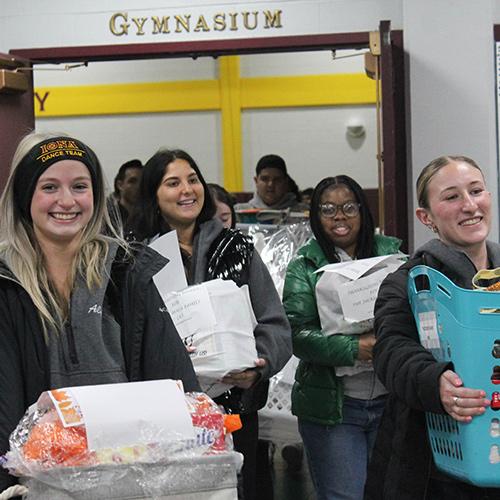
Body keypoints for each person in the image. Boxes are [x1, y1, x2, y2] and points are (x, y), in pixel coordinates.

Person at [0, 133, 199, 493]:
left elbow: (175, 384)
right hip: (36, 485)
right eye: (49, 187)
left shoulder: (127, 273)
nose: (66, 201)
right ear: (25, 195)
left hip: (131, 481)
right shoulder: (5, 285)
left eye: (80, 186)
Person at [127, 148, 292, 500]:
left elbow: (275, 323)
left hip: (232, 409)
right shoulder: (132, 256)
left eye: (193, 179)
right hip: (162, 417)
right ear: (154, 195)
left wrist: (258, 366)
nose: (187, 190)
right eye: (173, 183)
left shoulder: (238, 248)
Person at [365, 155, 500, 499]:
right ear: (426, 217)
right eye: (452, 197)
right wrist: (434, 381)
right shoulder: (409, 282)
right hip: (432, 467)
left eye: (476, 191)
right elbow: (391, 350)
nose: (469, 205)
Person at [282, 175, 401, 500]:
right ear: (316, 216)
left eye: (349, 207)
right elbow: (297, 335)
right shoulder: (303, 266)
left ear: (363, 210)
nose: (339, 216)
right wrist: (355, 348)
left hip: (391, 402)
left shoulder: (393, 255)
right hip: (334, 408)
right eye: (328, 209)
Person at [234, 154, 307, 212]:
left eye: (277, 180)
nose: (270, 184)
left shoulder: (302, 213)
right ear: (256, 181)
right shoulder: (239, 212)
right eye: (265, 179)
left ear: (285, 182)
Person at [109, 158, 143, 226]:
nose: (138, 186)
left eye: (142, 181)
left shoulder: (148, 218)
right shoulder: (110, 218)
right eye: (132, 181)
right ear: (120, 185)